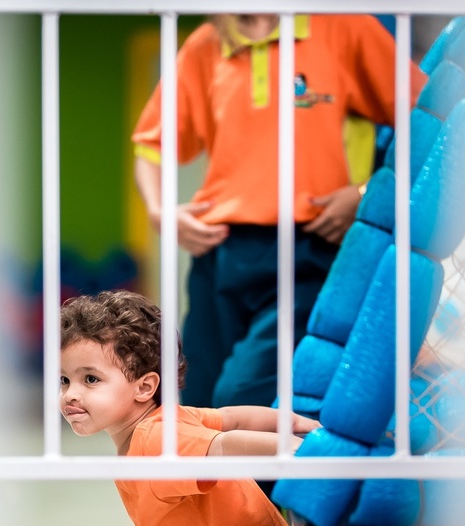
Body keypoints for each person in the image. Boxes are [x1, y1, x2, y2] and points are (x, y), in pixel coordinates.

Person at [132, 13, 427, 408]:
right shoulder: (207, 43)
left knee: (241, 396)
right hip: (218, 253)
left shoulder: (348, 29)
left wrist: (366, 192)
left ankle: (260, 471)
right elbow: (151, 146)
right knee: (191, 402)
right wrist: (159, 211)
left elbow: (428, 122)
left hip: (310, 250)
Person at [60, 290, 320, 526]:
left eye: (91, 379)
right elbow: (232, 418)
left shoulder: (156, 438)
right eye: (65, 380)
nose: (71, 394)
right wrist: (294, 422)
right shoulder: (167, 421)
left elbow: (224, 444)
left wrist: (299, 448)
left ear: (144, 387)